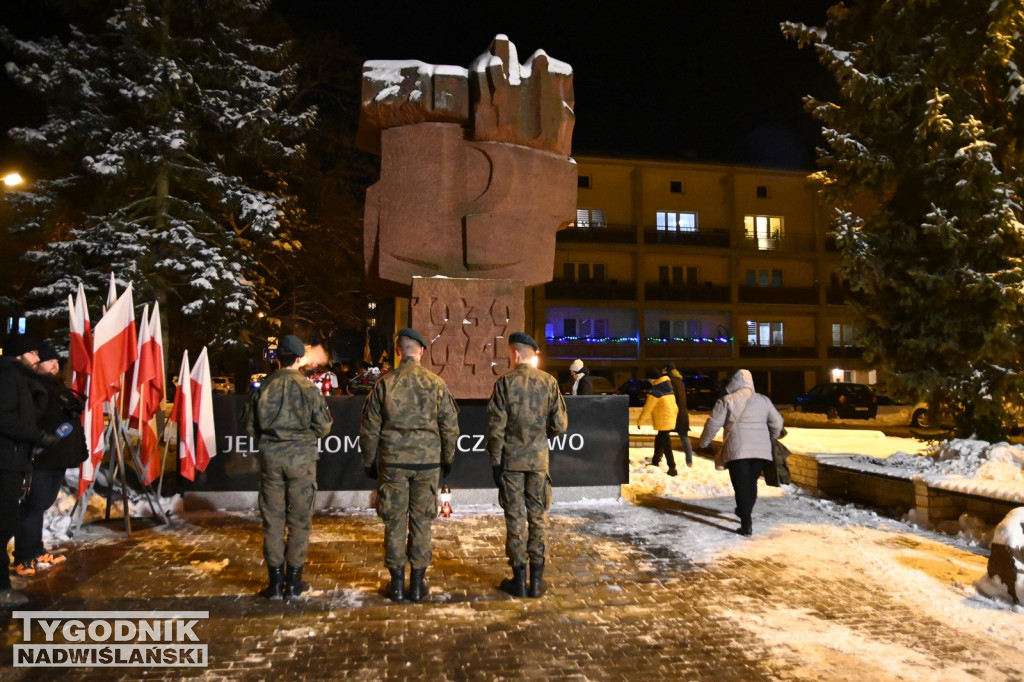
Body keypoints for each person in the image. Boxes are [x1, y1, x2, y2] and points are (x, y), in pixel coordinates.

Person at [360, 328, 459, 603]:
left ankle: (395, 585)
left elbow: (370, 429)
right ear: (422, 352)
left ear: (398, 352)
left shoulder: (384, 384)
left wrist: (370, 462)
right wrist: (447, 458)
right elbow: (449, 426)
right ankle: (417, 584)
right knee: (421, 522)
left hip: (393, 463)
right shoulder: (436, 384)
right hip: (427, 464)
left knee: (393, 521)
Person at [244, 334, 333, 600]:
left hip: (271, 461)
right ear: (297, 358)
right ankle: (293, 582)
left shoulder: (264, 387)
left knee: (273, 521)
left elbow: (250, 428)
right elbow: (324, 426)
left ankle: (274, 584)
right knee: (299, 521)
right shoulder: (308, 389)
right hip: (302, 463)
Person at [486, 332, 568, 598]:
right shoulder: (549, 382)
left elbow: (495, 428)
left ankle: (519, 578)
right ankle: (537, 579)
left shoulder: (505, 383)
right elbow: (559, 425)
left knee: (515, 519)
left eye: (510, 353)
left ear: (516, 354)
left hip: (511, 462)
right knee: (538, 517)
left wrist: (496, 462)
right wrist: (540, 436)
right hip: (538, 462)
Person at [13, 344, 87, 577]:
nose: (55, 365)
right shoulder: (32, 388)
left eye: (57, 361)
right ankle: (24, 557)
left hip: (57, 459)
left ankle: (35, 550)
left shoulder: (55, 387)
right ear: (36, 365)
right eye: (49, 361)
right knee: (32, 507)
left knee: (41, 506)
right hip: (41, 460)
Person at [697, 369, 783, 536]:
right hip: (761, 450)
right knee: (751, 484)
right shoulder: (764, 400)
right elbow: (777, 423)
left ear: (734, 383)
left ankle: (746, 523)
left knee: (741, 486)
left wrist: (704, 442)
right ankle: (745, 512)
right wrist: (770, 438)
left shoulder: (726, 401)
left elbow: (712, 424)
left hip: (738, 449)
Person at [0, 334, 50, 607]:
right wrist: (35, 435)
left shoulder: (18, 377)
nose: (38, 358)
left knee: (6, 524)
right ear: (18, 354)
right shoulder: (8, 375)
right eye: (33, 352)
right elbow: (6, 419)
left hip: (12, 462)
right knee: (4, 524)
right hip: (5, 462)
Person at [636, 367, 679, 476]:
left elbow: (647, 408)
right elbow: (674, 406)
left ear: (653, 379)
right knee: (660, 440)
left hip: (663, 421)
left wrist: (640, 422)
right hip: (669, 418)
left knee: (666, 444)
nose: (649, 382)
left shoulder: (656, 391)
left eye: (650, 379)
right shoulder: (668, 387)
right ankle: (655, 461)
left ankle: (672, 467)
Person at [661, 362, 693, 467]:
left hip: (673, 412)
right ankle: (689, 461)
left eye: (663, 369)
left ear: (666, 370)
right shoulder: (679, 380)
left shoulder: (668, 381)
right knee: (684, 437)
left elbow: (667, 397)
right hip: (683, 412)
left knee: (663, 435)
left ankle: (659, 457)